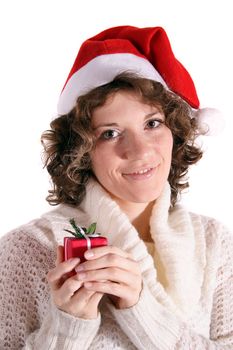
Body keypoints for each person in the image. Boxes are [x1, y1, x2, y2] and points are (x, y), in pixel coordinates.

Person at [0, 25, 232, 350]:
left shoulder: (215, 245)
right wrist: (68, 329)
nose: (139, 151)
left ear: (176, 130)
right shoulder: (27, 251)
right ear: (81, 150)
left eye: (152, 124)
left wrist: (141, 309)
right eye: (110, 133)